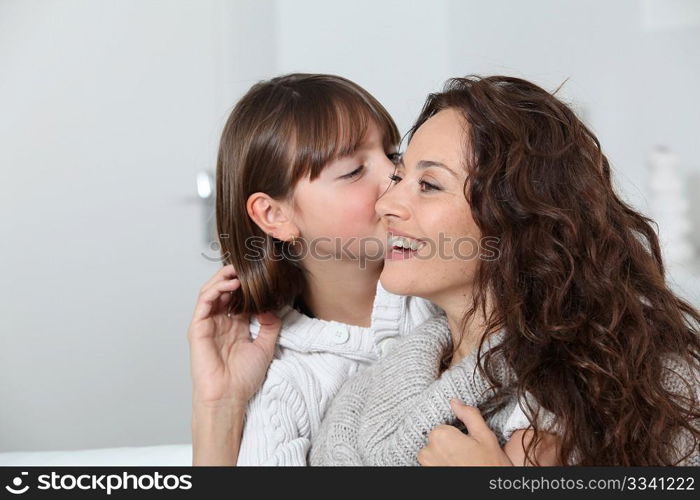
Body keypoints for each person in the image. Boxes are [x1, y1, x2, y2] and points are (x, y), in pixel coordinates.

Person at [309, 75, 700, 466]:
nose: (386, 204)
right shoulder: (355, 408)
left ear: (514, 217)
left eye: (428, 184)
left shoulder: (651, 387)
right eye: (399, 177)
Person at [187, 74, 440, 466]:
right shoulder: (285, 380)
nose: (395, 174)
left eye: (393, 154)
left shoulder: (441, 289)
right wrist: (218, 403)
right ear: (275, 215)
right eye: (355, 170)